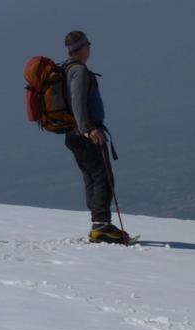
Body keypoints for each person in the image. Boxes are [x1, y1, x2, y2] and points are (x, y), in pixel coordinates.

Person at [63, 30, 128, 243]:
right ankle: (101, 224)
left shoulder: (66, 69)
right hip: (85, 134)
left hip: (73, 135)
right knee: (103, 176)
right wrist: (88, 129)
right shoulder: (79, 72)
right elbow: (78, 103)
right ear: (83, 48)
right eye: (88, 45)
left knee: (92, 177)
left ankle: (98, 223)